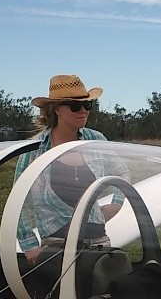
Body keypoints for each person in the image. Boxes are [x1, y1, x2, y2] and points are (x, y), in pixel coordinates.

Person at [15, 74, 127, 265]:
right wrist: (29, 245)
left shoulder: (96, 139)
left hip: (99, 241)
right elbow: (19, 199)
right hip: (56, 246)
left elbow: (122, 172)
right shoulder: (33, 149)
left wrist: (116, 204)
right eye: (75, 106)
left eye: (87, 105)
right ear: (57, 109)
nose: (83, 111)